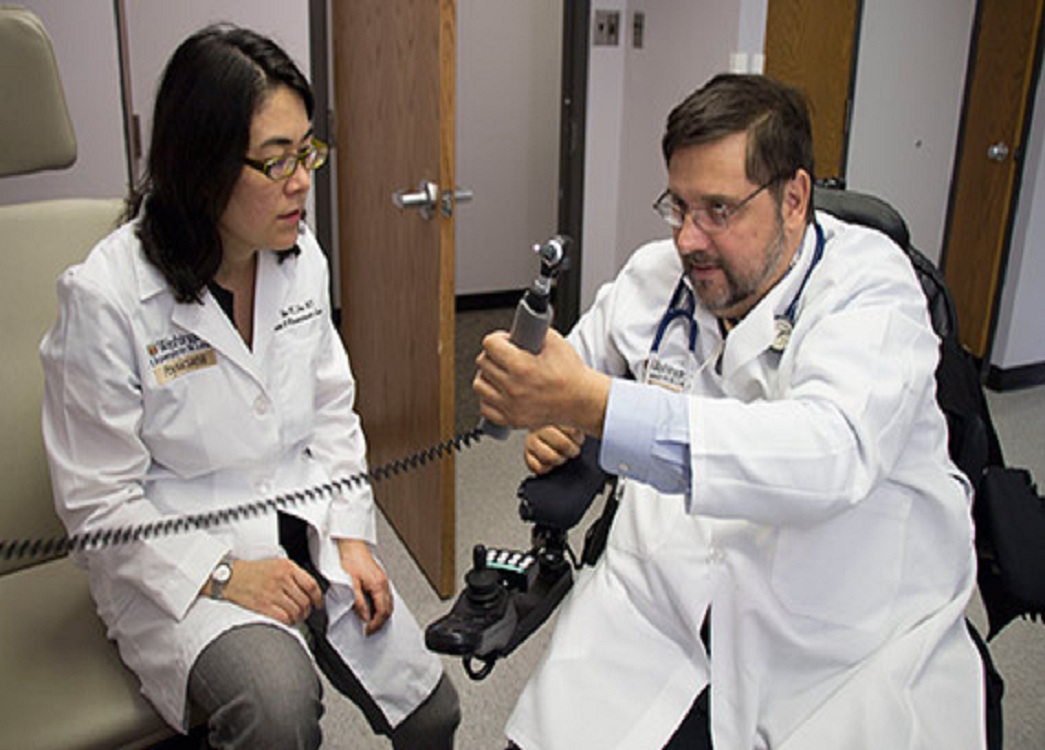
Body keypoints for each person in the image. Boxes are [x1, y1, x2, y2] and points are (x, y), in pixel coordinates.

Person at [474, 74, 985, 749]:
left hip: (839, 643)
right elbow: (568, 370)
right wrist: (542, 407)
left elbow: (825, 456)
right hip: (652, 609)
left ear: (793, 198)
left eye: (717, 209)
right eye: (678, 206)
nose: (688, 239)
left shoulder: (870, 287)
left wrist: (591, 404)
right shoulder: (654, 277)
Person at [40, 24, 459, 749]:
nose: (302, 180)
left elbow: (332, 412)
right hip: (182, 547)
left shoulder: (299, 258)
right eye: (275, 162)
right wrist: (223, 574)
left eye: (307, 152)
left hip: (306, 518)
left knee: (432, 713)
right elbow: (96, 502)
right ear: (201, 167)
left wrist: (354, 537)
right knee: (276, 706)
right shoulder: (107, 296)